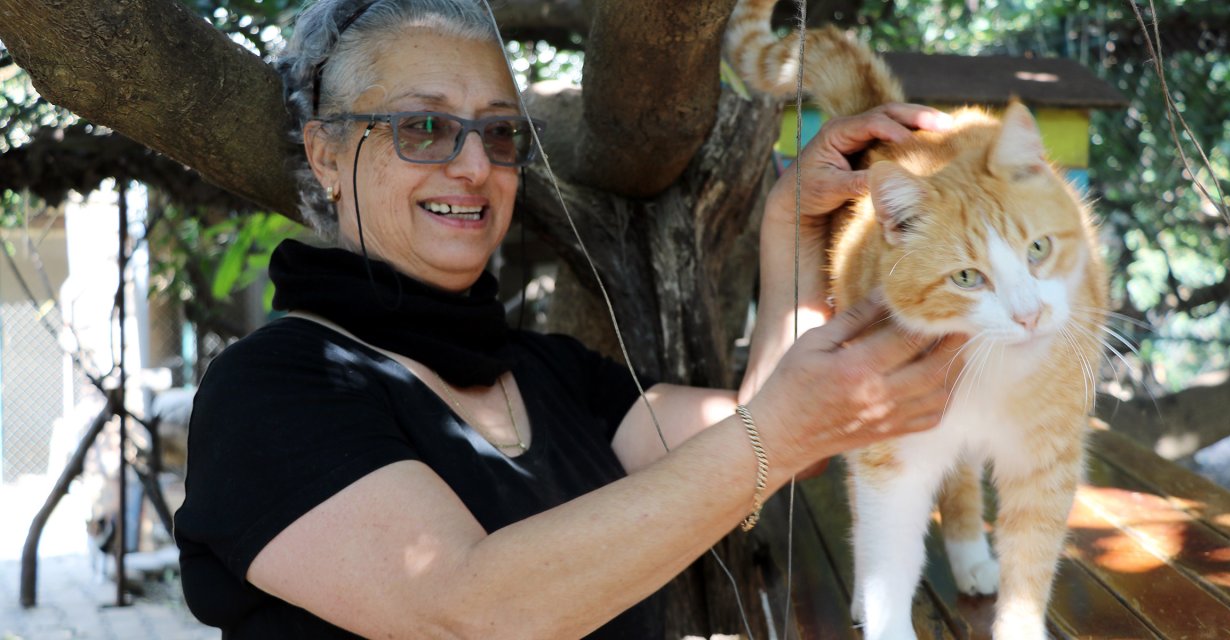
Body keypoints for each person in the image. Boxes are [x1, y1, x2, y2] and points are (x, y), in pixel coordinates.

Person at [172, 0, 960, 638]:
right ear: (323, 154)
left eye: (499, 132)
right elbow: (469, 611)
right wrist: (781, 432)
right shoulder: (272, 390)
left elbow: (774, 430)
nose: (474, 166)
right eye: (423, 127)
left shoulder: (551, 373)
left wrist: (794, 223)